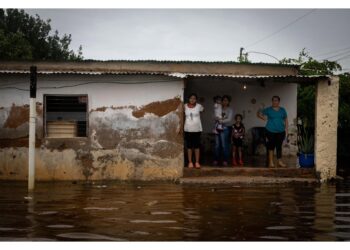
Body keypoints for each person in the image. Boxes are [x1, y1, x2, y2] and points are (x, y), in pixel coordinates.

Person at [257, 95, 288, 168]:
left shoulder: (282, 110)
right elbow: (258, 114)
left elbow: (286, 120)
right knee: (271, 146)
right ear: (272, 101)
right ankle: (271, 162)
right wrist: (262, 115)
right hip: (270, 131)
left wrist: (287, 130)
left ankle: (279, 161)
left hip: (281, 131)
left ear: (279, 101)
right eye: (273, 100)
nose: (275, 102)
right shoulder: (268, 109)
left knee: (279, 146)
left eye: (276, 100)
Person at [184, 93, 204, 169]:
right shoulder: (185, 106)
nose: (192, 100)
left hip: (197, 129)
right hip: (188, 129)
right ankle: (190, 162)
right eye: (191, 98)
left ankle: (197, 162)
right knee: (189, 147)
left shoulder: (199, 106)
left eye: (194, 98)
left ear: (196, 99)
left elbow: (203, 110)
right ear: (188, 99)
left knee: (196, 146)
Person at [213, 95, 233, 167]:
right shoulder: (218, 108)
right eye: (223, 100)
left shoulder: (229, 110)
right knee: (217, 145)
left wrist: (221, 121)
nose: (224, 102)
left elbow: (229, 119)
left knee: (224, 145)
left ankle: (225, 160)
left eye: (226, 100)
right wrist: (216, 118)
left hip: (225, 128)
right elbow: (214, 117)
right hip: (217, 128)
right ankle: (216, 159)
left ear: (228, 102)